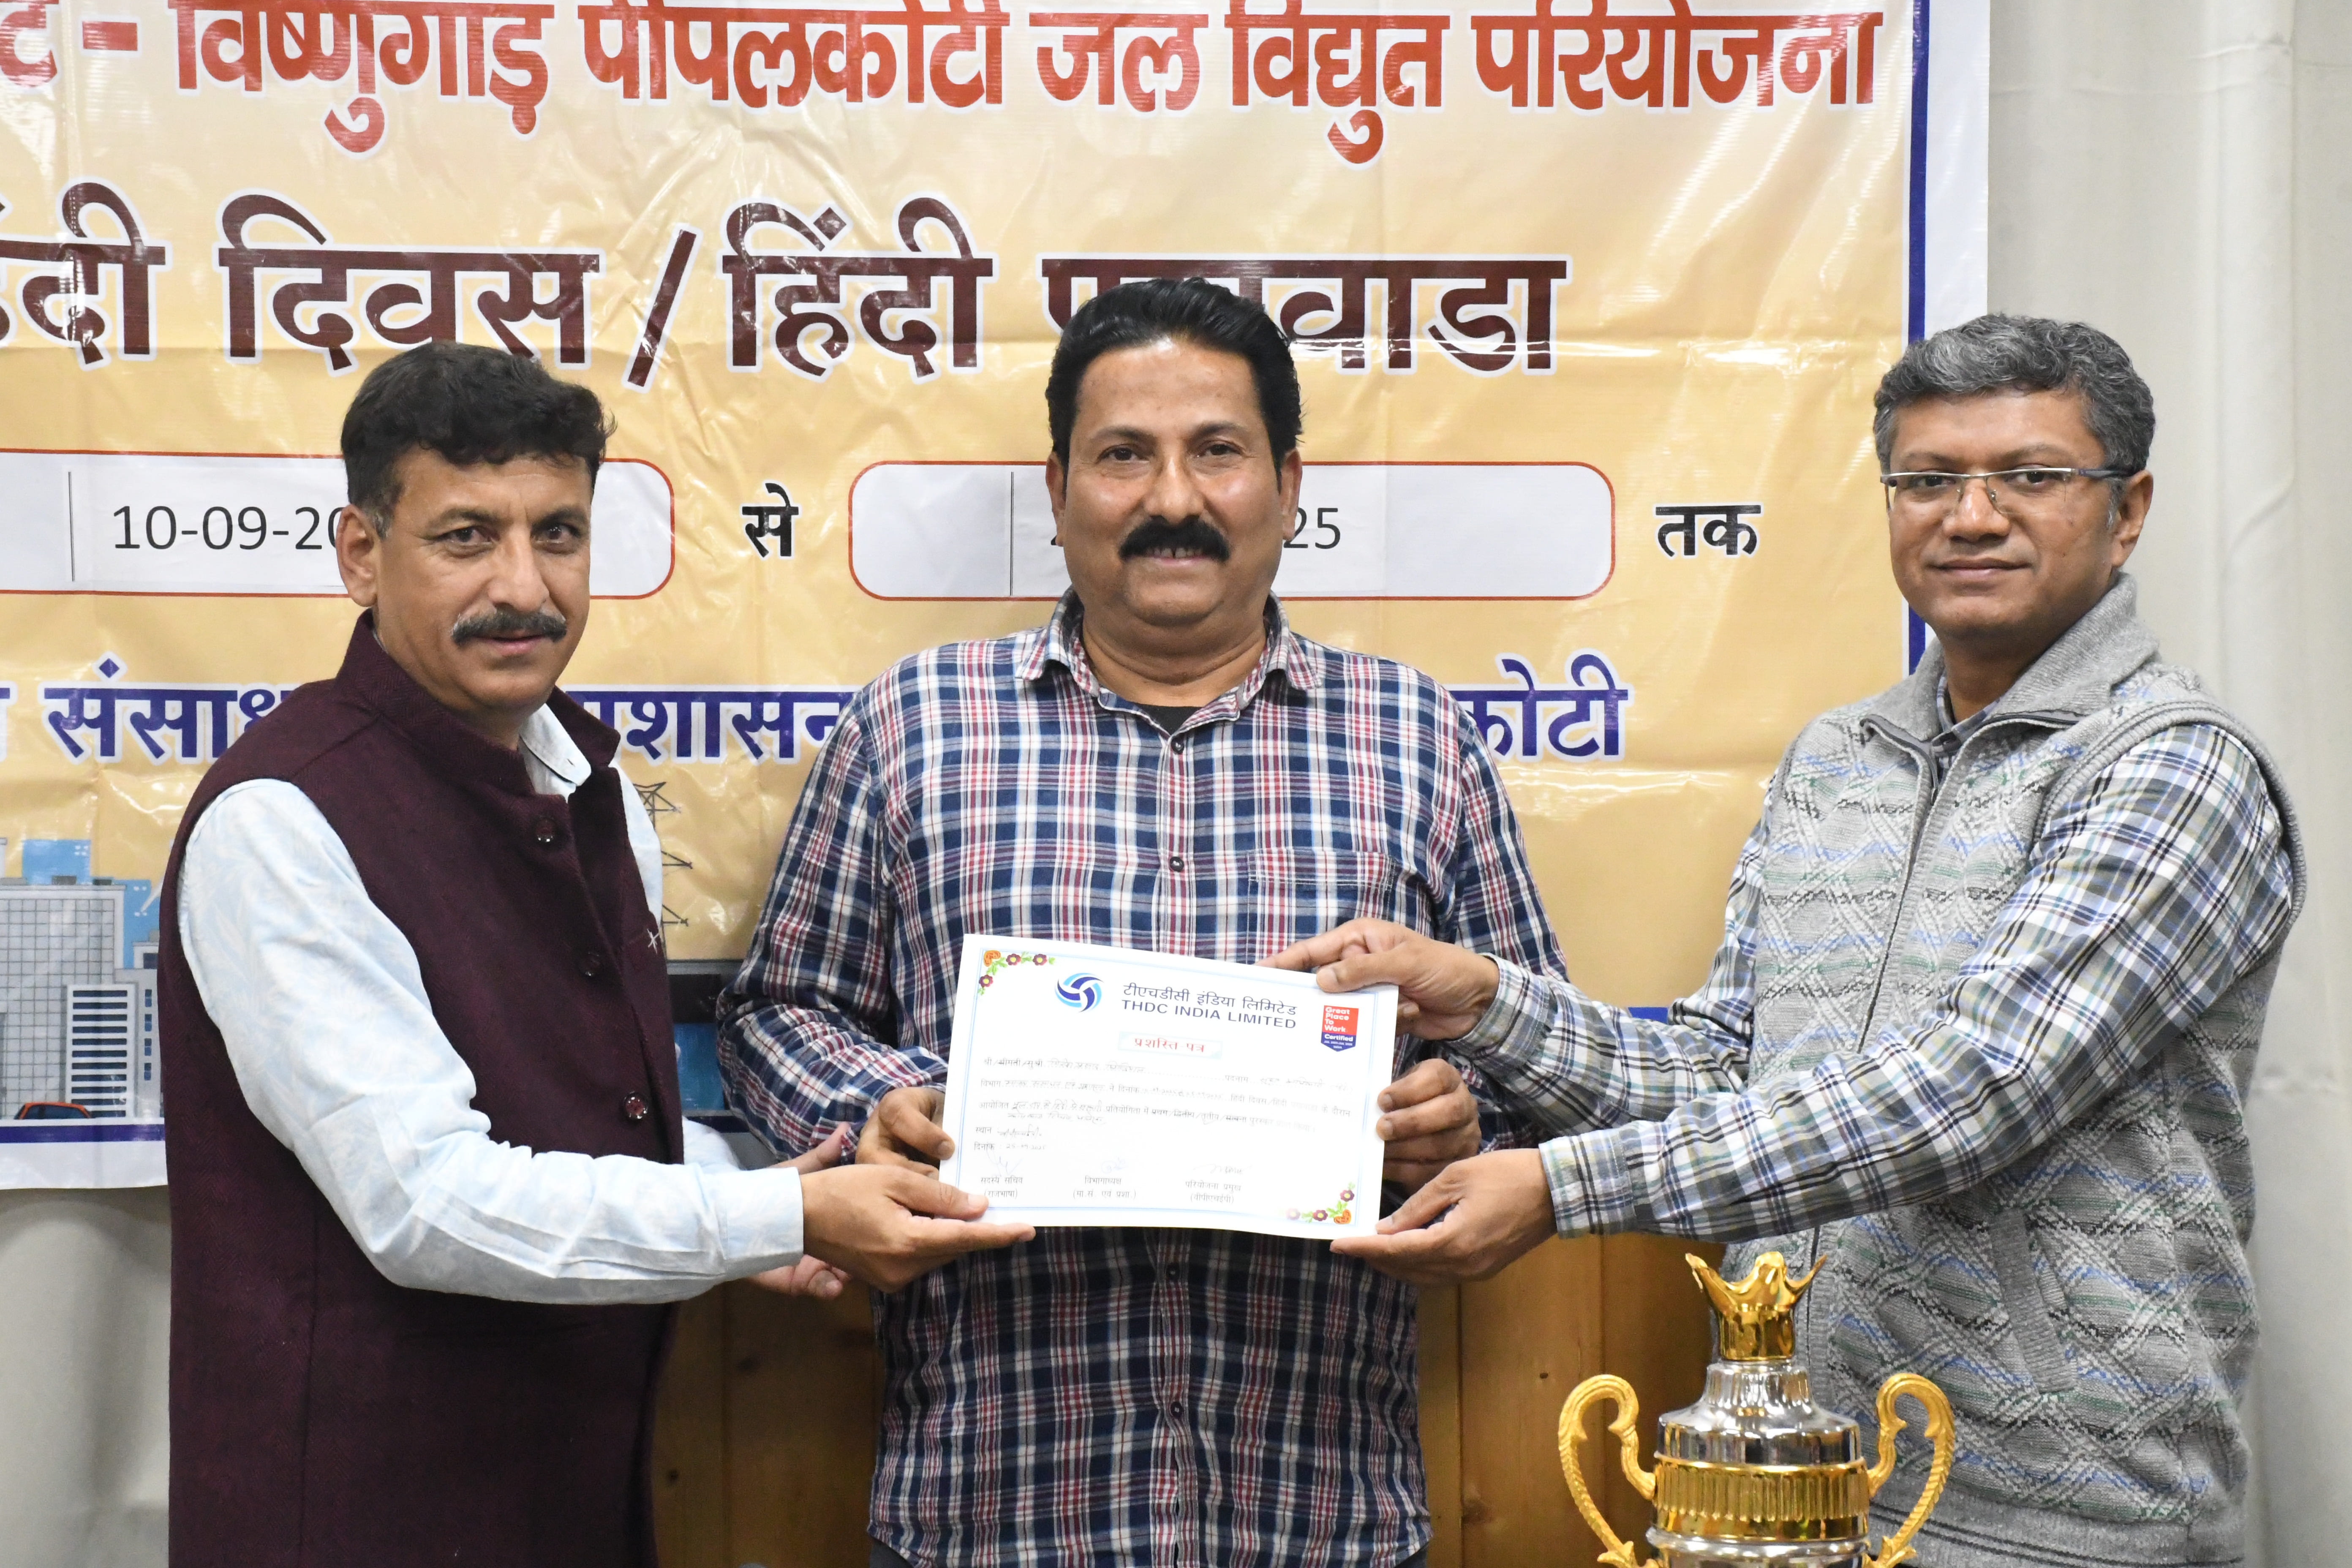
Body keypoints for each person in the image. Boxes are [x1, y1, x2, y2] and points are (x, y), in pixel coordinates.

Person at [1276, 316, 2303, 1568]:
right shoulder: (1836, 761)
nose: (1972, 518)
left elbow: (1973, 1092)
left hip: (2061, 1524)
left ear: (2126, 510)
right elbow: (1728, 1074)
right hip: (1793, 1494)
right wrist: (1488, 1003)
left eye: (2030, 476)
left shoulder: (2175, 769)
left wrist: (1563, 1187)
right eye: (1928, 480)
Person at [719, 278, 1567, 1568]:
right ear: (1059, 490)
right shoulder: (914, 728)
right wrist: (882, 1109)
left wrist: (1461, 1125)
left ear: (1288, 486)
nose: (1174, 498)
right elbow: (777, 1011)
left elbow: (1539, 1069)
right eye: (1125, 456)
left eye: (1217, 451)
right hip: (988, 1513)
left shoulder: (1419, 740)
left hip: (1319, 1514)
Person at [160, 341, 1029, 1568]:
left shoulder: (586, 779)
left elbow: (584, 1117)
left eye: (557, 534)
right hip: (354, 1512)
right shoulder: (283, 818)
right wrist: (777, 1213)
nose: (523, 587)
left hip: (569, 1490)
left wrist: (798, 1188)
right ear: (361, 553)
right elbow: (427, 1204)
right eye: (466, 537)